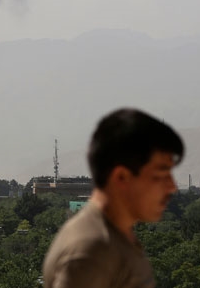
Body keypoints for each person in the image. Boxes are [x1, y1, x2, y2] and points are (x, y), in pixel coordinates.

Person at [41, 108, 184, 288]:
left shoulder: (114, 237)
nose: (172, 187)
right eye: (160, 175)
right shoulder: (91, 250)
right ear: (121, 177)